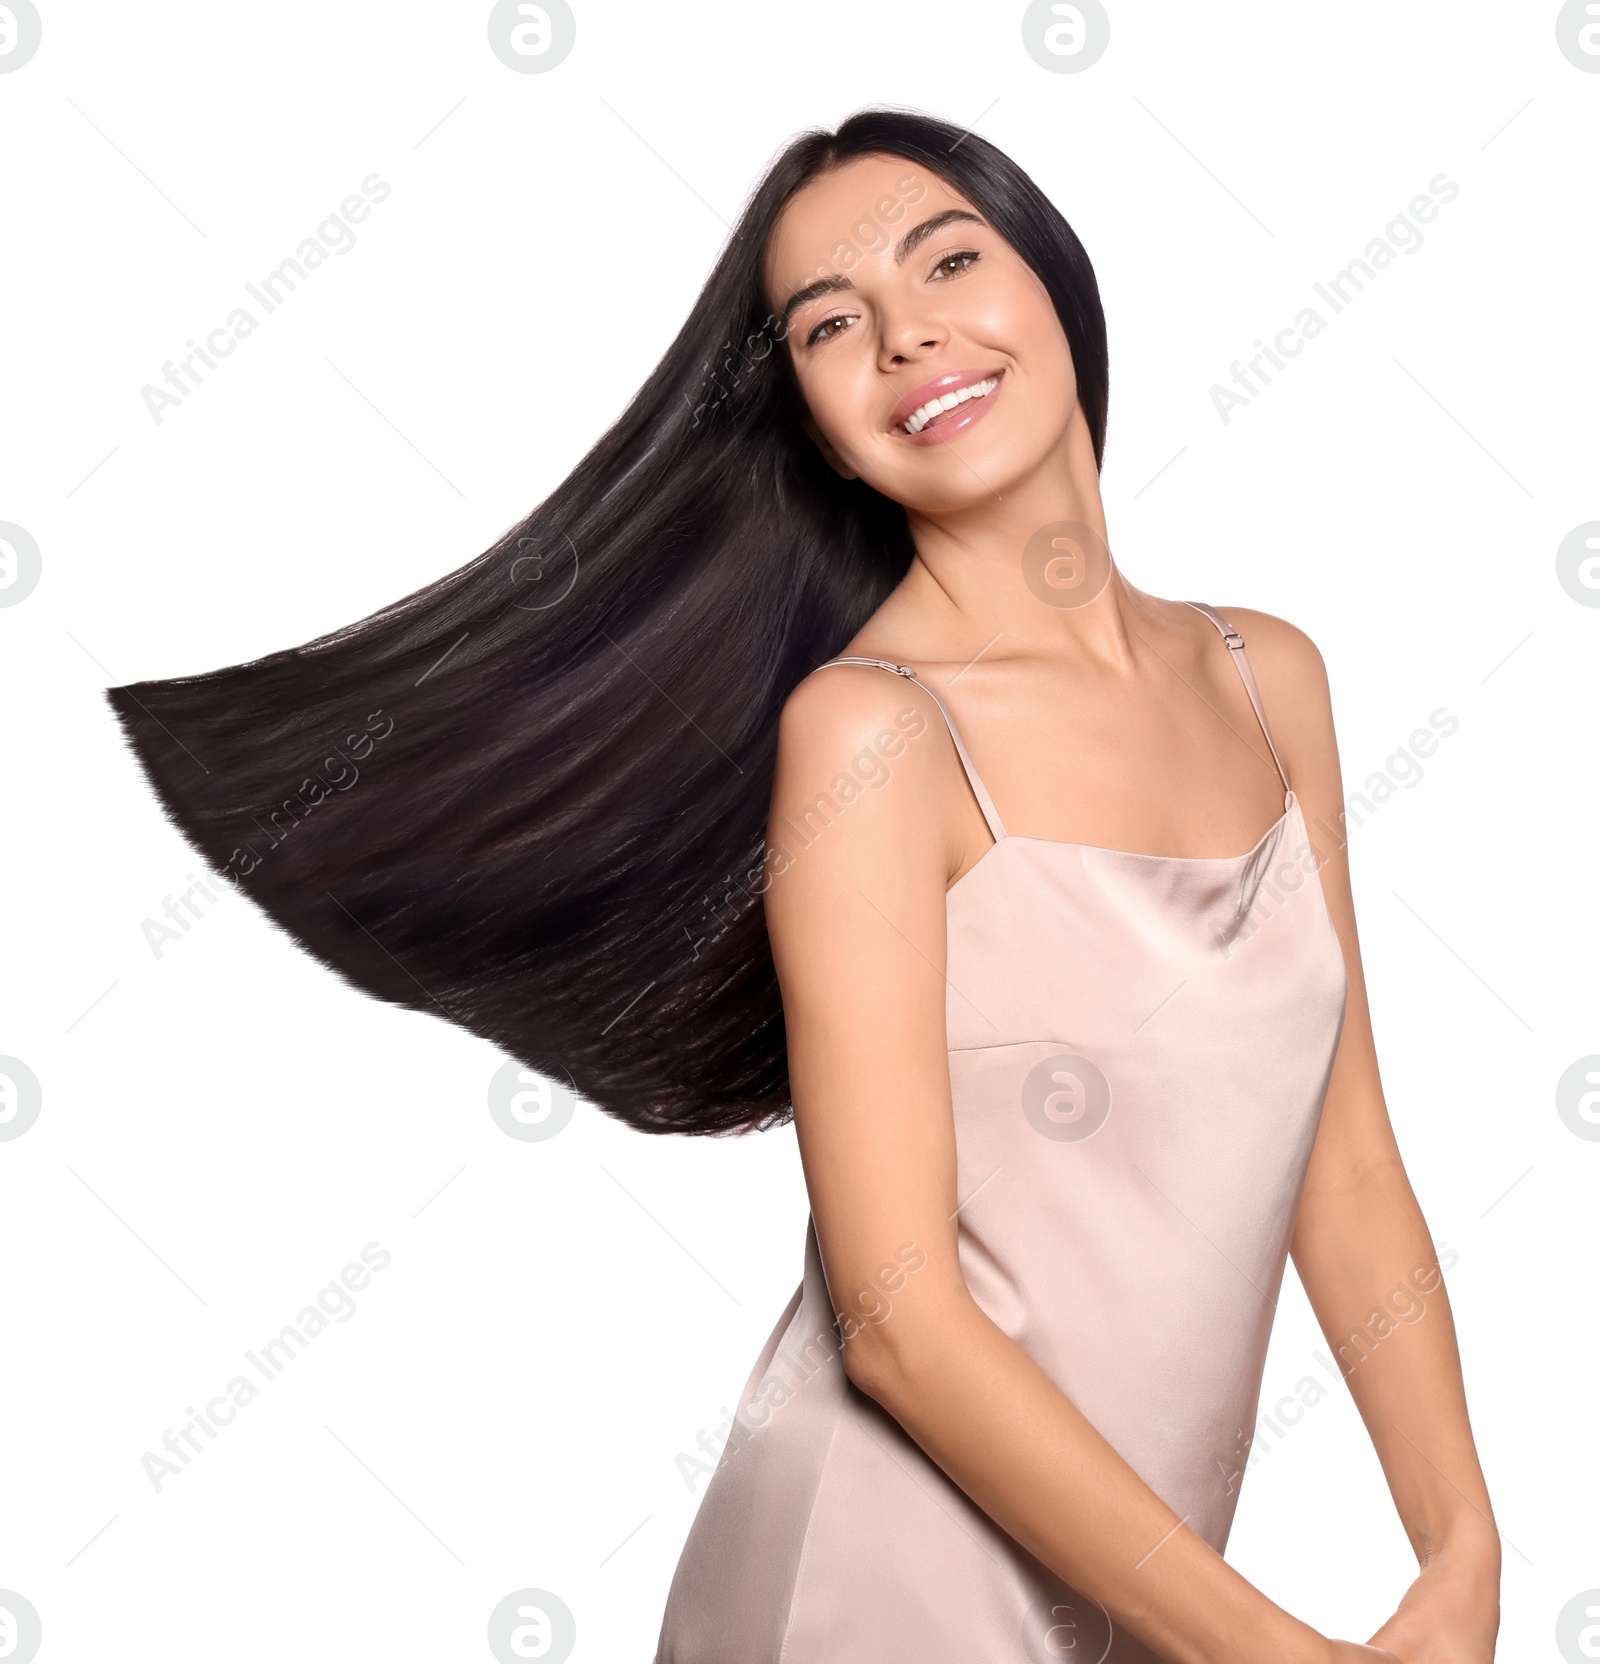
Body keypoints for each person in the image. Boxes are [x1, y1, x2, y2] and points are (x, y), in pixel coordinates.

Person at [105, 109, 1500, 1662]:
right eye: (835, 326)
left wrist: (1461, 1548)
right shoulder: (874, 735)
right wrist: (1265, 1648)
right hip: (884, 1581)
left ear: (1055, 283)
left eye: (949, 261)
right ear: (817, 422)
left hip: (1154, 1592)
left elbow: (1347, 1157)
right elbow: (896, 1320)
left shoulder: (1268, 676)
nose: (910, 337)